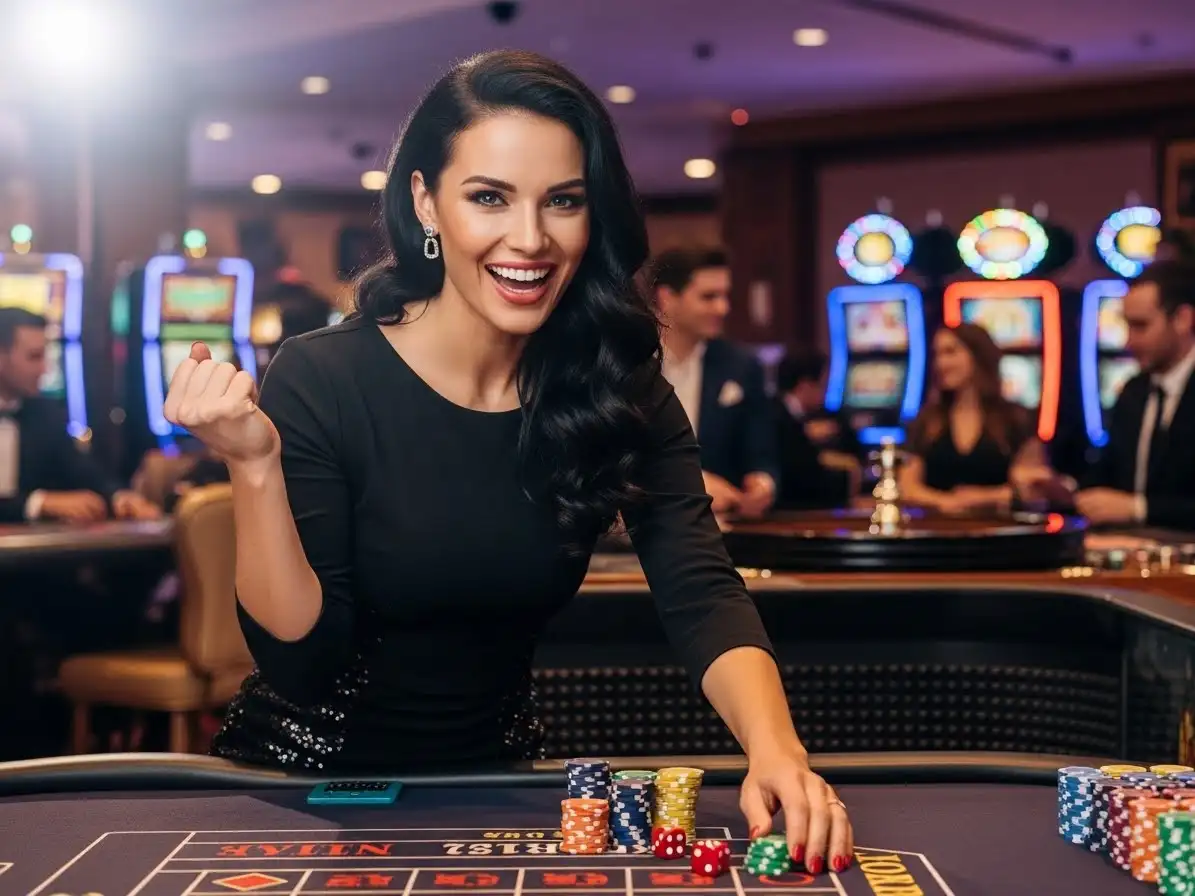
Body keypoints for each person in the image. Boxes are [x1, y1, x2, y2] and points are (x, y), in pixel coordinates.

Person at [163, 51, 853, 875]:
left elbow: (700, 589)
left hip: (503, 782)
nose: (528, 239)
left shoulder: (614, 386)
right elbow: (302, 663)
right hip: (306, 785)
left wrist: (777, 752)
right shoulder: (324, 375)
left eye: (561, 202)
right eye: (488, 197)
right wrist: (255, 469)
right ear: (426, 201)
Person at [651, 247, 779, 517]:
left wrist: (762, 482)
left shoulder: (742, 366)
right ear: (667, 298)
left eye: (725, 296)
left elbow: (762, 453)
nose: (723, 308)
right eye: (709, 297)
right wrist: (689, 483)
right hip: (638, 531)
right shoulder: (627, 364)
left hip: (719, 530)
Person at [0, 307, 159, 523]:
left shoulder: (44, 414)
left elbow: (83, 471)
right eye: (34, 357)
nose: (44, 368)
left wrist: (119, 497)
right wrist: (38, 502)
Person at [1073, 259, 1195, 527]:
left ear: (1183, 320)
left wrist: (1139, 509)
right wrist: (1061, 489)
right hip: (1131, 555)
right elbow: (1106, 477)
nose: (1129, 341)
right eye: (1127, 326)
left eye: (1140, 326)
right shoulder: (1134, 390)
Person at [900, 323, 1050, 513]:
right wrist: (946, 502)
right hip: (938, 530)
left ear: (978, 356)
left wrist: (980, 498)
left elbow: (1033, 488)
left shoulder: (1016, 418)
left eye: (950, 352)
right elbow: (907, 488)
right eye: (937, 354)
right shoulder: (925, 420)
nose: (941, 363)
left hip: (1002, 532)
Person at [773, 351, 862, 509]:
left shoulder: (787, 413)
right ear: (805, 385)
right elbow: (803, 478)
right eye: (823, 384)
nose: (825, 392)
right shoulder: (780, 417)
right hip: (790, 512)